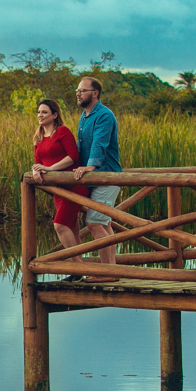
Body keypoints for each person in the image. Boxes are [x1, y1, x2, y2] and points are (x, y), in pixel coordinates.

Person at [30, 99, 90, 282]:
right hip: (58, 191)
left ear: (55, 115)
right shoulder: (38, 137)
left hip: (73, 186)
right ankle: (78, 271)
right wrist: (35, 170)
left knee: (60, 225)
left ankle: (77, 267)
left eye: (45, 112)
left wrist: (50, 169)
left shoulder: (62, 132)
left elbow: (73, 157)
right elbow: (38, 161)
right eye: (39, 112)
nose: (40, 115)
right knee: (71, 226)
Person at [72, 77, 123, 283]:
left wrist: (90, 166)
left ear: (95, 93)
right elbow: (80, 145)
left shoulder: (104, 115)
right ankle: (111, 271)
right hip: (96, 178)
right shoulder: (84, 117)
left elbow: (100, 143)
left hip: (107, 175)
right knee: (105, 224)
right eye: (77, 90)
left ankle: (106, 273)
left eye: (83, 91)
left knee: (94, 223)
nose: (78, 93)